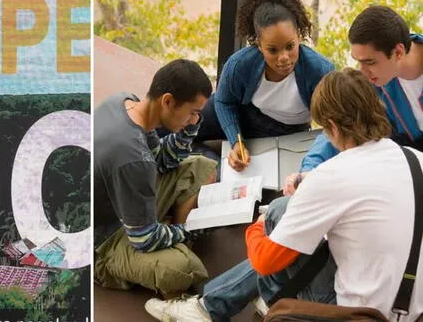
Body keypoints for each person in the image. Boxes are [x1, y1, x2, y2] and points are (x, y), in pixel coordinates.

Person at [145, 68, 423, 321]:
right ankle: (207, 308)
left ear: (333, 128)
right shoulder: (415, 158)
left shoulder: (334, 175)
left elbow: (265, 261)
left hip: (355, 314)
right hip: (411, 310)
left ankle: (219, 307)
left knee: (279, 214)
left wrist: (260, 225)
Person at [94, 59, 217, 296]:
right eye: (193, 113)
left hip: (122, 204)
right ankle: (170, 243)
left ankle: (169, 235)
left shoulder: (125, 102)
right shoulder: (133, 157)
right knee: (184, 269)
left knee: (200, 166)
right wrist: (190, 230)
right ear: (168, 101)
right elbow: (144, 239)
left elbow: (163, 161)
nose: (195, 119)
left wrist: (190, 126)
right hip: (103, 240)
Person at [284, 5, 423, 195]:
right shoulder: (378, 78)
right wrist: (310, 171)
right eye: (358, 61)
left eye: (370, 62)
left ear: (398, 52)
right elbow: (340, 119)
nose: (362, 72)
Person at [195, 0, 334, 172]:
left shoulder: (320, 70)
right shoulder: (240, 65)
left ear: (299, 36)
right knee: (176, 123)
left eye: (290, 46)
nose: (283, 57)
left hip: (287, 133)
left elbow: (334, 121)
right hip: (241, 114)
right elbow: (224, 101)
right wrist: (236, 140)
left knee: (221, 171)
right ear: (258, 44)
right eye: (272, 50)